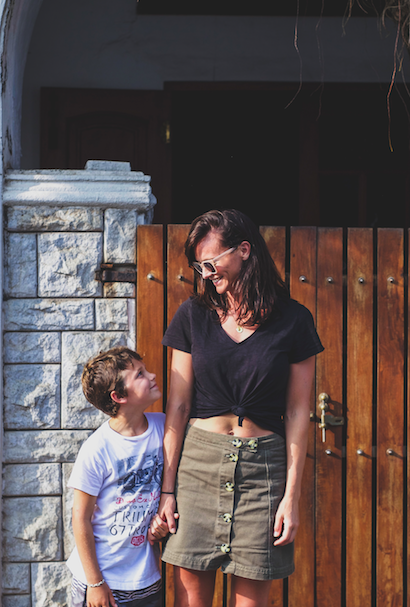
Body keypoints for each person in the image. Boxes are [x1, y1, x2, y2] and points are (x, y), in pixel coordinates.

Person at [155, 209, 323, 607]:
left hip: (263, 473)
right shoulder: (193, 316)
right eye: (199, 266)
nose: (206, 274)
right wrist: (166, 489)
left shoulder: (294, 320)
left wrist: (291, 497)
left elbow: (299, 413)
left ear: (244, 250)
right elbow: (178, 407)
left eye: (212, 262)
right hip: (197, 469)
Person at [67, 346, 168, 607]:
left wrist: (162, 521)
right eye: (140, 374)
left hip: (145, 582)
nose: (153, 375)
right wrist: (95, 583)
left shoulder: (164, 427)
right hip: (102, 582)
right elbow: (80, 517)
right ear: (119, 395)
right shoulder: (97, 448)